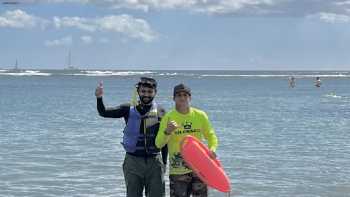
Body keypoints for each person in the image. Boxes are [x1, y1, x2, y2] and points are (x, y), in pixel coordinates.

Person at [95, 77, 168, 197]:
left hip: (155, 162)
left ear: (155, 92)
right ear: (138, 91)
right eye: (143, 91)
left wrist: (164, 163)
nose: (146, 95)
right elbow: (103, 112)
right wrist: (99, 98)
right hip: (132, 162)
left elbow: (165, 140)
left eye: (150, 92)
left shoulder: (161, 112)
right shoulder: (127, 109)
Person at [155, 83, 218, 197]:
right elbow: (158, 144)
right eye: (179, 95)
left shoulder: (200, 115)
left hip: (200, 169)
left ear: (190, 97)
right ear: (174, 98)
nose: (182, 97)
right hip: (178, 172)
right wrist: (167, 131)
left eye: (185, 95)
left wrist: (212, 149)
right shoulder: (168, 118)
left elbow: (211, 135)